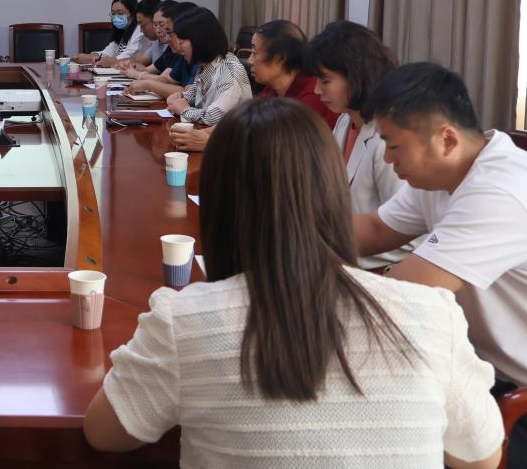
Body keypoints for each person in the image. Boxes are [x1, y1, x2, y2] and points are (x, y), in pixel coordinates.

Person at [83, 97, 503, 468]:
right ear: (332, 190)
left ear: (220, 200)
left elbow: (103, 434)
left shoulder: (185, 320)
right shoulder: (433, 315)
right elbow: (481, 458)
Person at [353, 63, 527, 434]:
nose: (388, 159)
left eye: (394, 146)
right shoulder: (441, 175)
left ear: (447, 139)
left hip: (516, 393)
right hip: (478, 365)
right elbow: (375, 229)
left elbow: (403, 291)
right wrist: (291, 232)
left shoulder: (498, 192)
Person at [309, 21, 414, 269]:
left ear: (356, 77)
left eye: (325, 81)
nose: (316, 90)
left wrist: (334, 250)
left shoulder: (389, 139)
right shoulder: (346, 121)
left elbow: (409, 235)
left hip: (376, 270)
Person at [170, 19, 337, 152]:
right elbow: (244, 122)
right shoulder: (273, 87)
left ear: (280, 59)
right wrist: (199, 134)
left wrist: (210, 142)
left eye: (255, 53)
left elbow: (278, 149)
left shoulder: (311, 95)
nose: (249, 61)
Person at [165, 7, 251, 124]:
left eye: (181, 42)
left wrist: (184, 110)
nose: (179, 48)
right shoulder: (205, 66)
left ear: (199, 40)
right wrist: (179, 97)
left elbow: (215, 117)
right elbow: (192, 96)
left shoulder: (229, 69)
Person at [123, 1, 200, 99]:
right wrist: (143, 81)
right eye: (155, 25)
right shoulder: (184, 55)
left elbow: (189, 94)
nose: (167, 37)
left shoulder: (201, 58)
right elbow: (166, 80)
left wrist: (147, 84)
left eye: (169, 32)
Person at [73, 0, 142, 66]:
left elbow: (127, 57)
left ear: (133, 14)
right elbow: (108, 52)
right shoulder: (122, 31)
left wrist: (95, 59)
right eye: (113, 13)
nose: (116, 17)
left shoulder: (140, 31)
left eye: (120, 13)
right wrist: (91, 56)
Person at [127, 0, 165, 66]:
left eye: (142, 25)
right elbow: (138, 60)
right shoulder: (157, 42)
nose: (141, 30)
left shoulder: (171, 45)